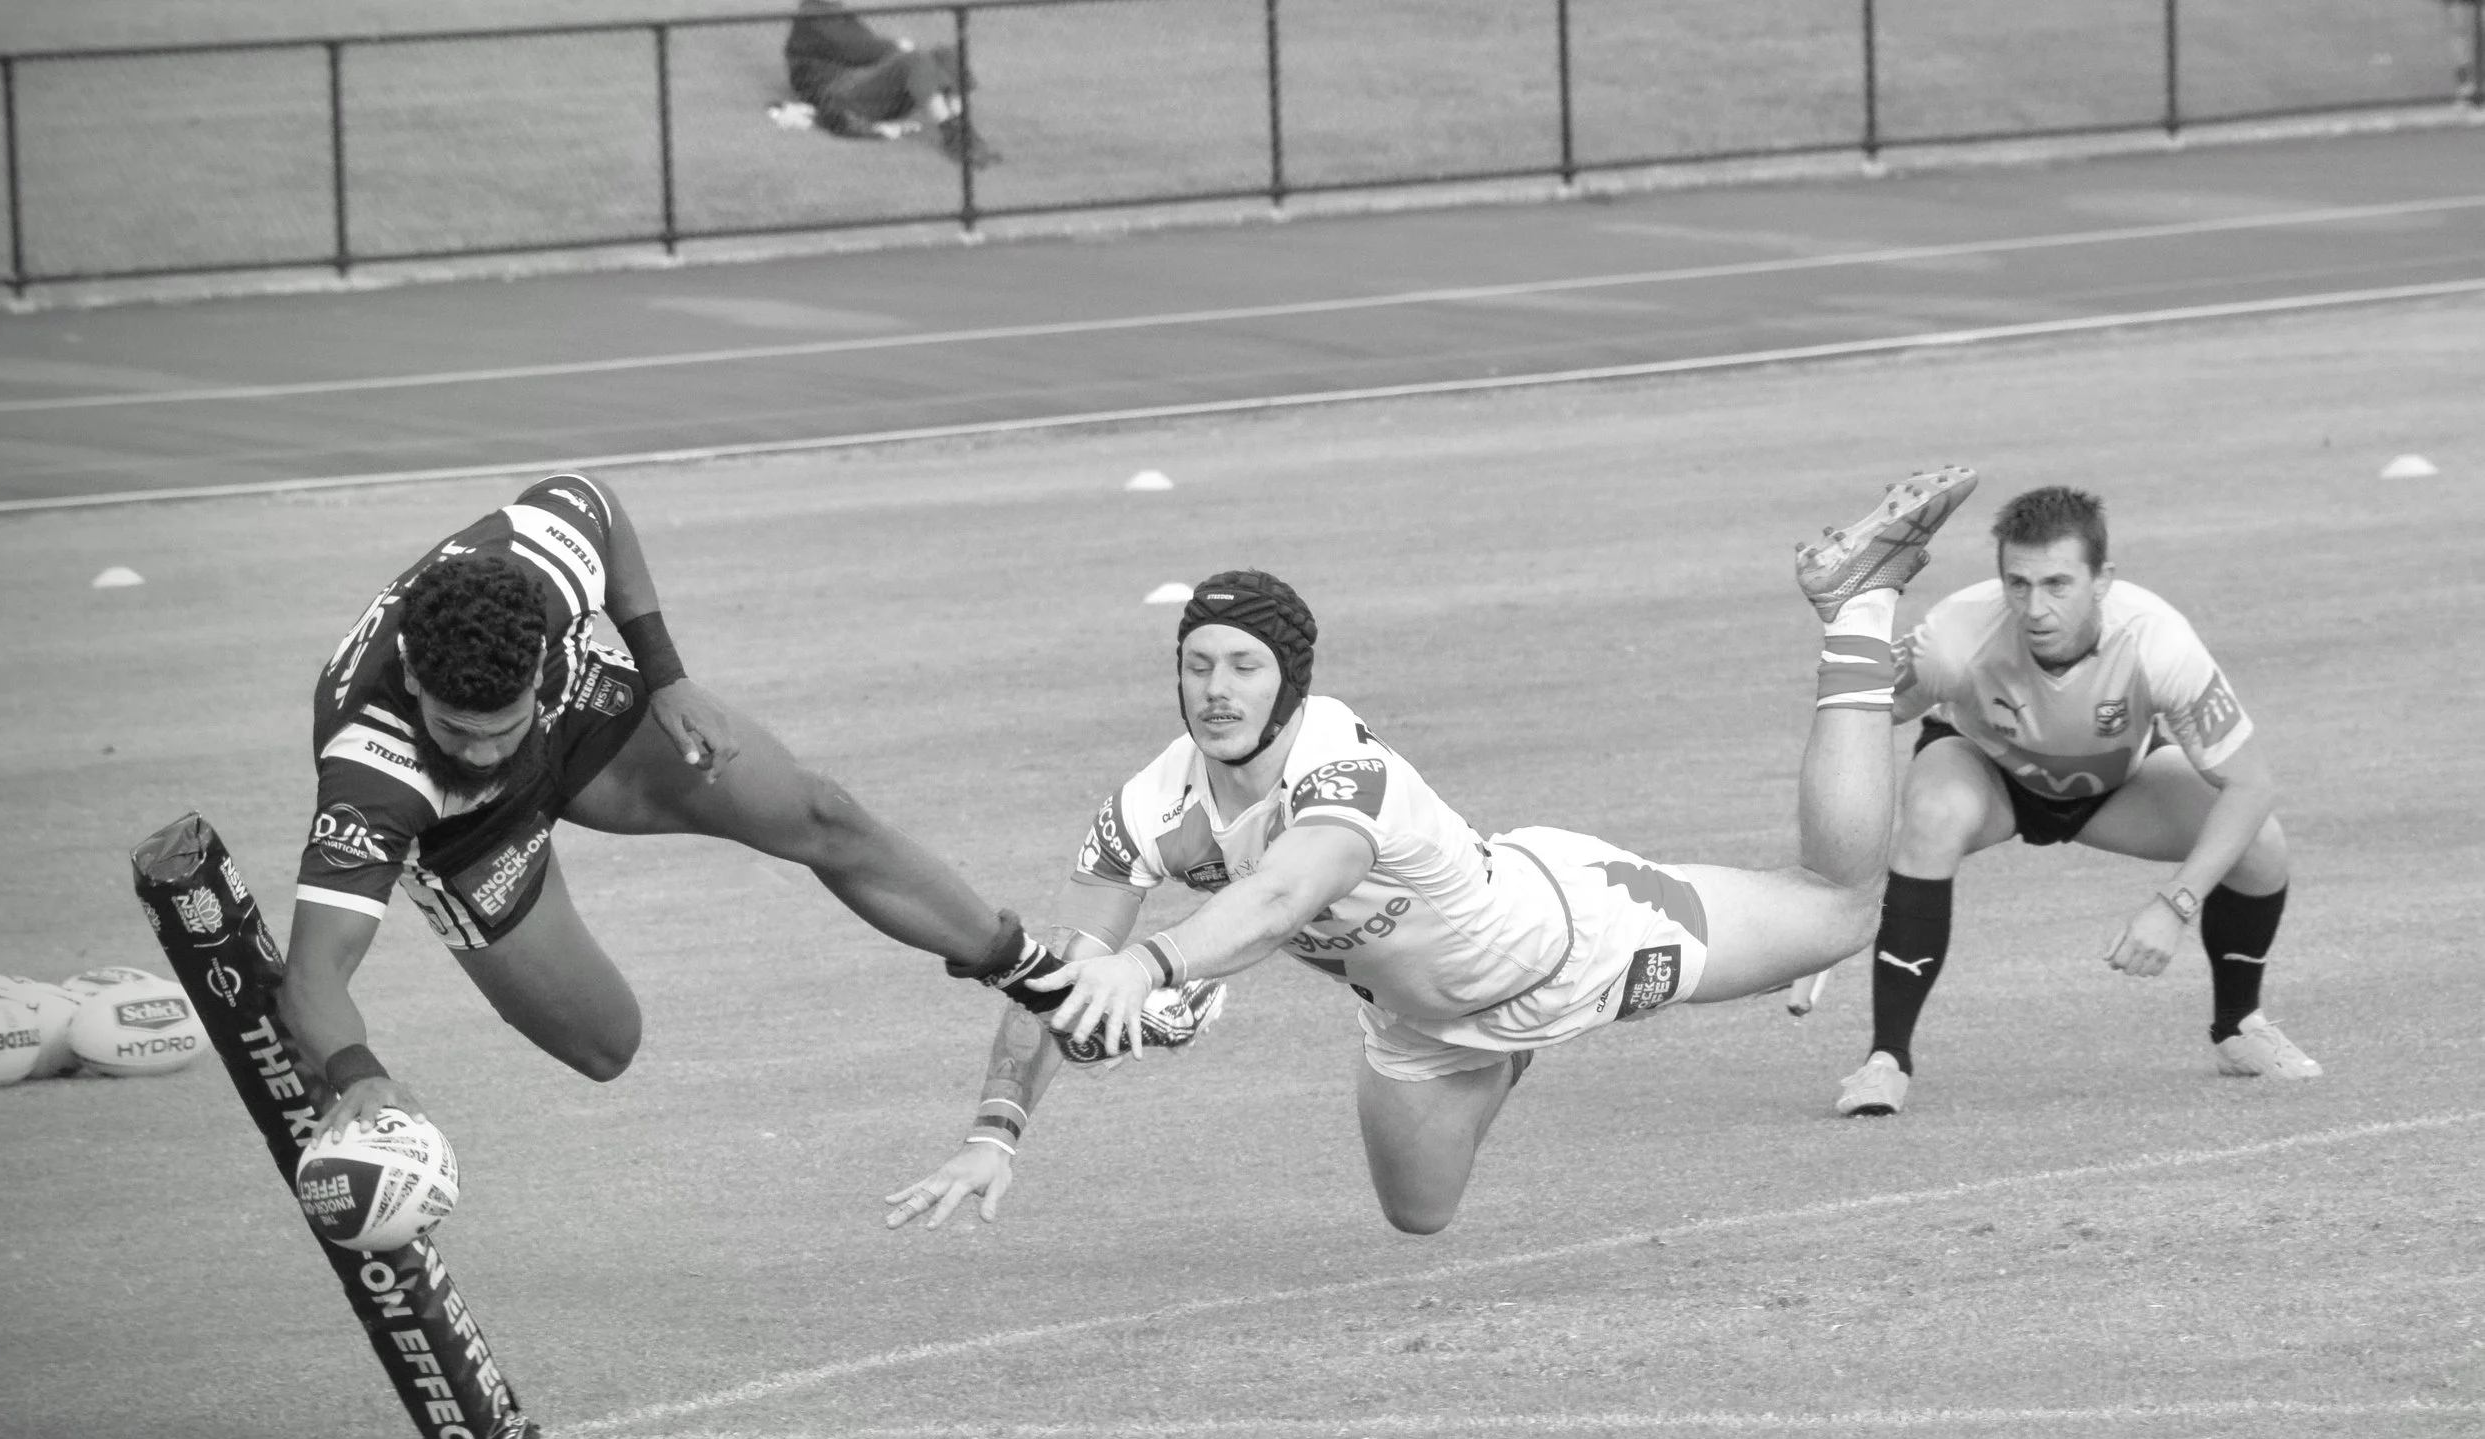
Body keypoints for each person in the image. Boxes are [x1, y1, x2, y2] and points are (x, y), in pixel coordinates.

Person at [884, 467, 1979, 1236]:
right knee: (1420, 1214)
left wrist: (1156, 965)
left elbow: (1283, 895)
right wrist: (996, 1131)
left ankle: (1855, 606)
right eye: (1198, 664)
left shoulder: (1341, 767)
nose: (1217, 690)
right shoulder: (1146, 809)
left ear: (1290, 682)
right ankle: (1501, 1052)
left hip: (1573, 940)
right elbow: (1062, 971)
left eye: (1244, 667)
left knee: (1842, 907)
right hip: (1417, 1021)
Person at [284, 470, 1065, 1140]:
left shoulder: (541, 568)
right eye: (459, 730)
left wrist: (665, 676)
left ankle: (1040, 980)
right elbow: (314, 973)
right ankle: (471, 865)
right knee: (606, 1042)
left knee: (821, 813)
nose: (483, 752)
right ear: (414, 679)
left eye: (500, 728)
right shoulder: (371, 776)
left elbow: (595, 502)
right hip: (461, 828)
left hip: (572, 710)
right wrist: (358, 1073)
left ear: (539, 651)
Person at [1831, 483, 2318, 1119]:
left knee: (2260, 842)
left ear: (2102, 580)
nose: (2035, 608)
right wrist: (1844, 871)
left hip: (2114, 786)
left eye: (2058, 584)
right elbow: (1856, 719)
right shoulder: (1954, 634)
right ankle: (1886, 1060)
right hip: (1988, 773)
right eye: (2018, 584)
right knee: (1934, 815)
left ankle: (2239, 1028)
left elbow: (2251, 784)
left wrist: (2175, 904)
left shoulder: (2158, 641)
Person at [766, 0, 998, 167]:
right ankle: (951, 134)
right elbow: (859, 49)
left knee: (945, 54)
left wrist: (901, 51)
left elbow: (866, 48)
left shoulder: (832, 11)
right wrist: (898, 48)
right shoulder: (814, 15)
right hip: (841, 97)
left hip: (863, 88)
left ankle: (962, 126)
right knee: (913, 60)